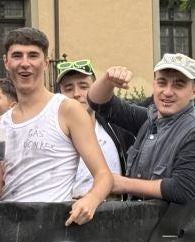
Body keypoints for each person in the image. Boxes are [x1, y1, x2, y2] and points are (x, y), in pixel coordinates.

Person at [0, 28, 112, 225]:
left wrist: (91, 199)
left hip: (54, 229)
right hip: (9, 229)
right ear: (6, 62)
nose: (25, 63)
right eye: (17, 56)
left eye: (33, 55)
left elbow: (103, 175)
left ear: (45, 63)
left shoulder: (68, 110)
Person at [86, 53, 195, 203]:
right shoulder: (149, 119)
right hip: (143, 223)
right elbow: (98, 104)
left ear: (194, 92)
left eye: (178, 85)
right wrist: (107, 80)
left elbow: (182, 190)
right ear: (154, 85)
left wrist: (122, 184)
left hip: (177, 226)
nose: (167, 92)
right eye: (162, 83)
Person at [54, 58, 135, 198]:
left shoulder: (118, 128)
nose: (76, 94)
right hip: (68, 212)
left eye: (84, 86)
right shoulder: (52, 133)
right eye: (68, 88)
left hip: (115, 212)